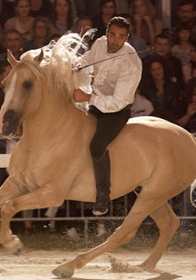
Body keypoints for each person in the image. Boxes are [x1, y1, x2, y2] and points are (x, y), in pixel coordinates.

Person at [73, 16, 142, 215]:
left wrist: (88, 97)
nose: (114, 40)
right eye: (112, 34)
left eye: (120, 37)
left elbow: (117, 102)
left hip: (116, 112)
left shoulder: (131, 63)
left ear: (127, 38)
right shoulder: (100, 43)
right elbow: (88, 59)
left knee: (96, 146)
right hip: (95, 100)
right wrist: (78, 65)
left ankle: (103, 195)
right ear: (106, 33)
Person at [139, 55, 181, 122]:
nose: (157, 72)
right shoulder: (146, 90)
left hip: (171, 121)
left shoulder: (173, 87)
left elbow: (176, 108)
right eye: (153, 70)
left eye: (159, 68)